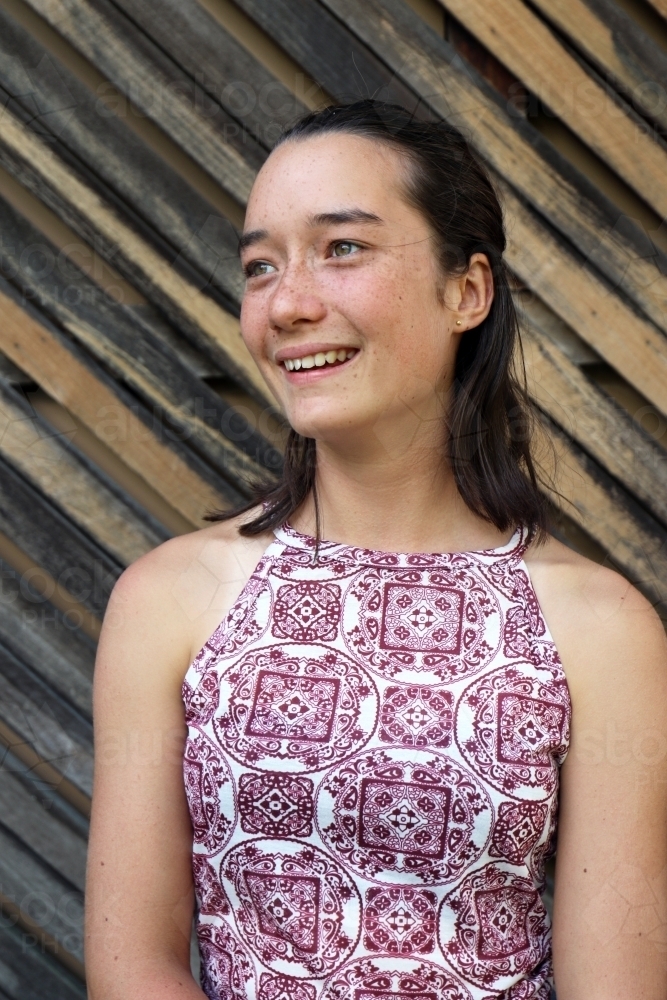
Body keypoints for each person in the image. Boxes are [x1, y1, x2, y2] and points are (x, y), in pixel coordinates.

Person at [85, 101, 667, 1000]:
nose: (288, 303)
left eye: (342, 249)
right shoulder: (171, 599)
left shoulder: (598, 628)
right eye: (258, 267)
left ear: (466, 290)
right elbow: (133, 967)